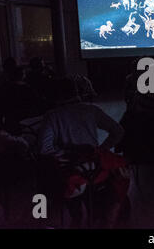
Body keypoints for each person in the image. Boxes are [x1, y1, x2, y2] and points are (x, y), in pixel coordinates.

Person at [37, 78, 128, 228]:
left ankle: (76, 216)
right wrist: (101, 149)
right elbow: (118, 131)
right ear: (77, 91)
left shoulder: (52, 116)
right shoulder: (91, 110)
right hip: (97, 171)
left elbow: (44, 149)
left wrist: (67, 155)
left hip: (69, 174)